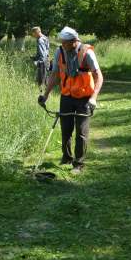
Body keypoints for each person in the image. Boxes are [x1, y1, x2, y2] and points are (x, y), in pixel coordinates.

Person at [38, 26, 104, 174]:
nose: (63, 45)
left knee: (81, 132)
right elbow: (55, 75)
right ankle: (66, 157)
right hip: (67, 96)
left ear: (75, 41)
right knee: (66, 129)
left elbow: (98, 76)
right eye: (62, 42)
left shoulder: (87, 53)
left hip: (85, 98)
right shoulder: (60, 52)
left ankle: (78, 164)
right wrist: (46, 95)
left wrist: (94, 98)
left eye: (66, 43)